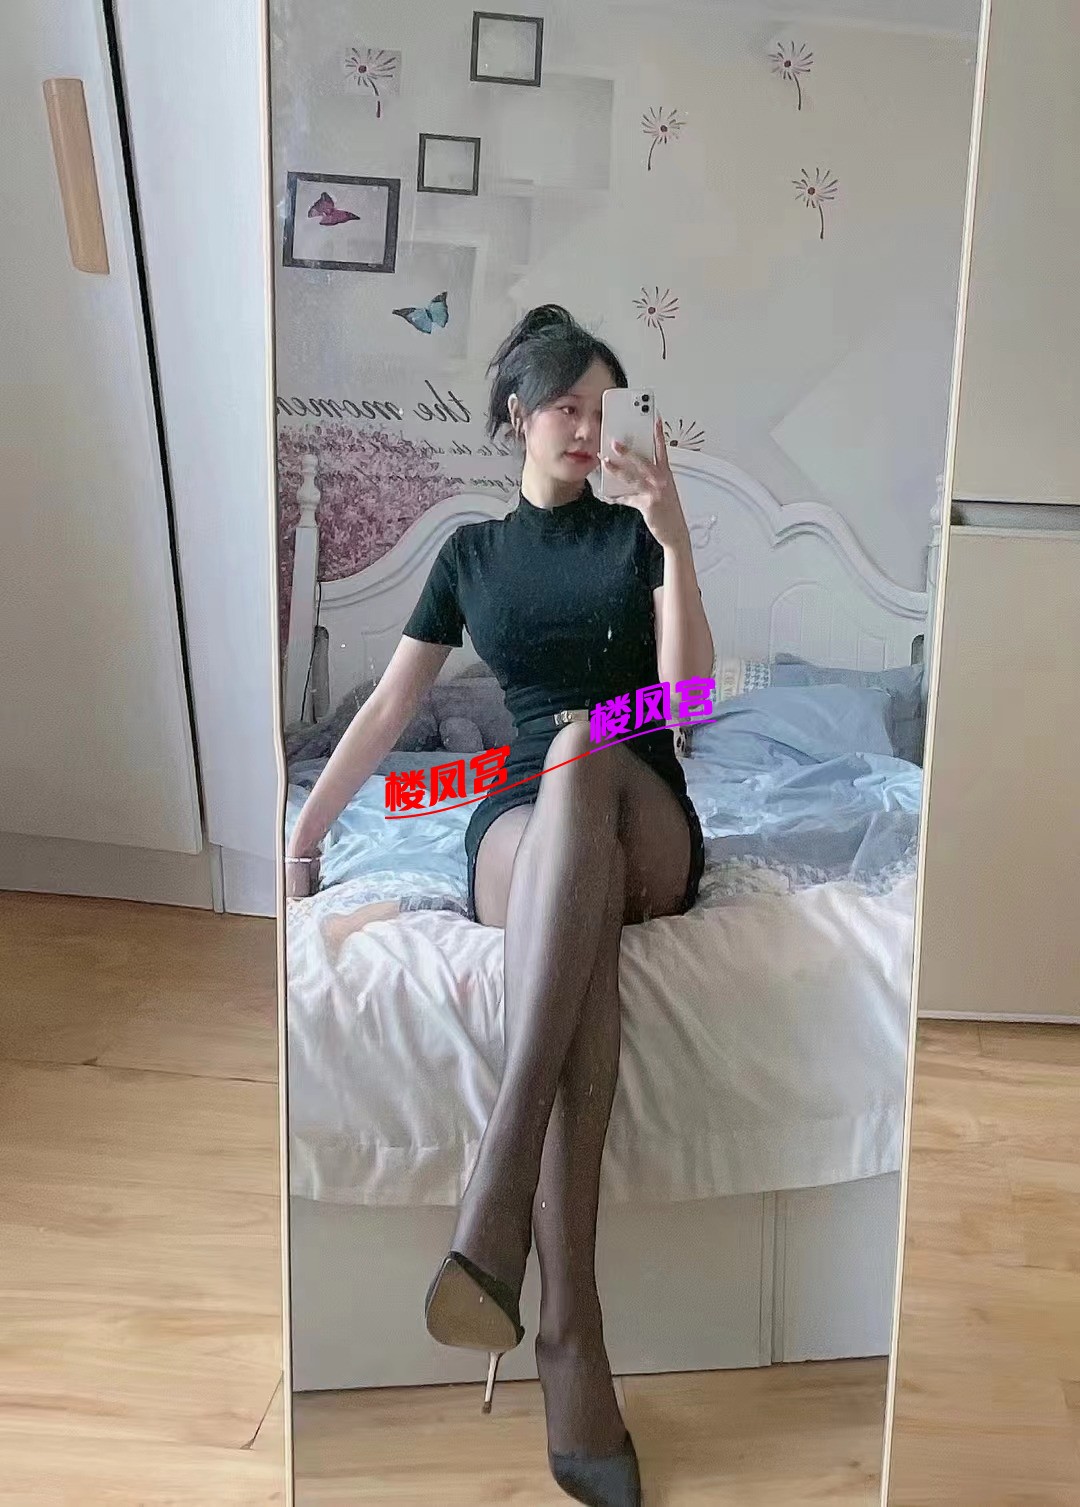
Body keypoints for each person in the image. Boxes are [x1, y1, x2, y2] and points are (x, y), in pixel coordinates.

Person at [287, 305, 713, 1507]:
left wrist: (676, 537)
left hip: (642, 811)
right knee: (569, 904)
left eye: (603, 408)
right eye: (567, 405)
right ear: (519, 415)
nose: (587, 427)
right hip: (521, 827)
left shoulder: (636, 537)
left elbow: (686, 703)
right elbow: (386, 711)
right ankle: (570, 1329)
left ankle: (501, 1175)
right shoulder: (470, 557)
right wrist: (305, 836)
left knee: (583, 742)